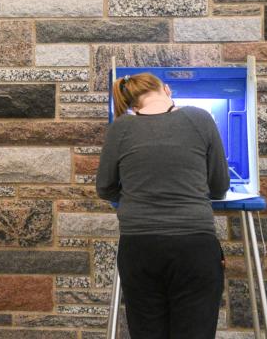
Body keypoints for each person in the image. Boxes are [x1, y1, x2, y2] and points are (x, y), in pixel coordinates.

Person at [97, 73, 230, 339]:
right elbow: (219, 186)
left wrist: (138, 191)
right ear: (167, 89)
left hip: (139, 248)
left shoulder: (120, 128)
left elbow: (105, 188)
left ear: (132, 102)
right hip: (194, 247)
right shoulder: (199, 118)